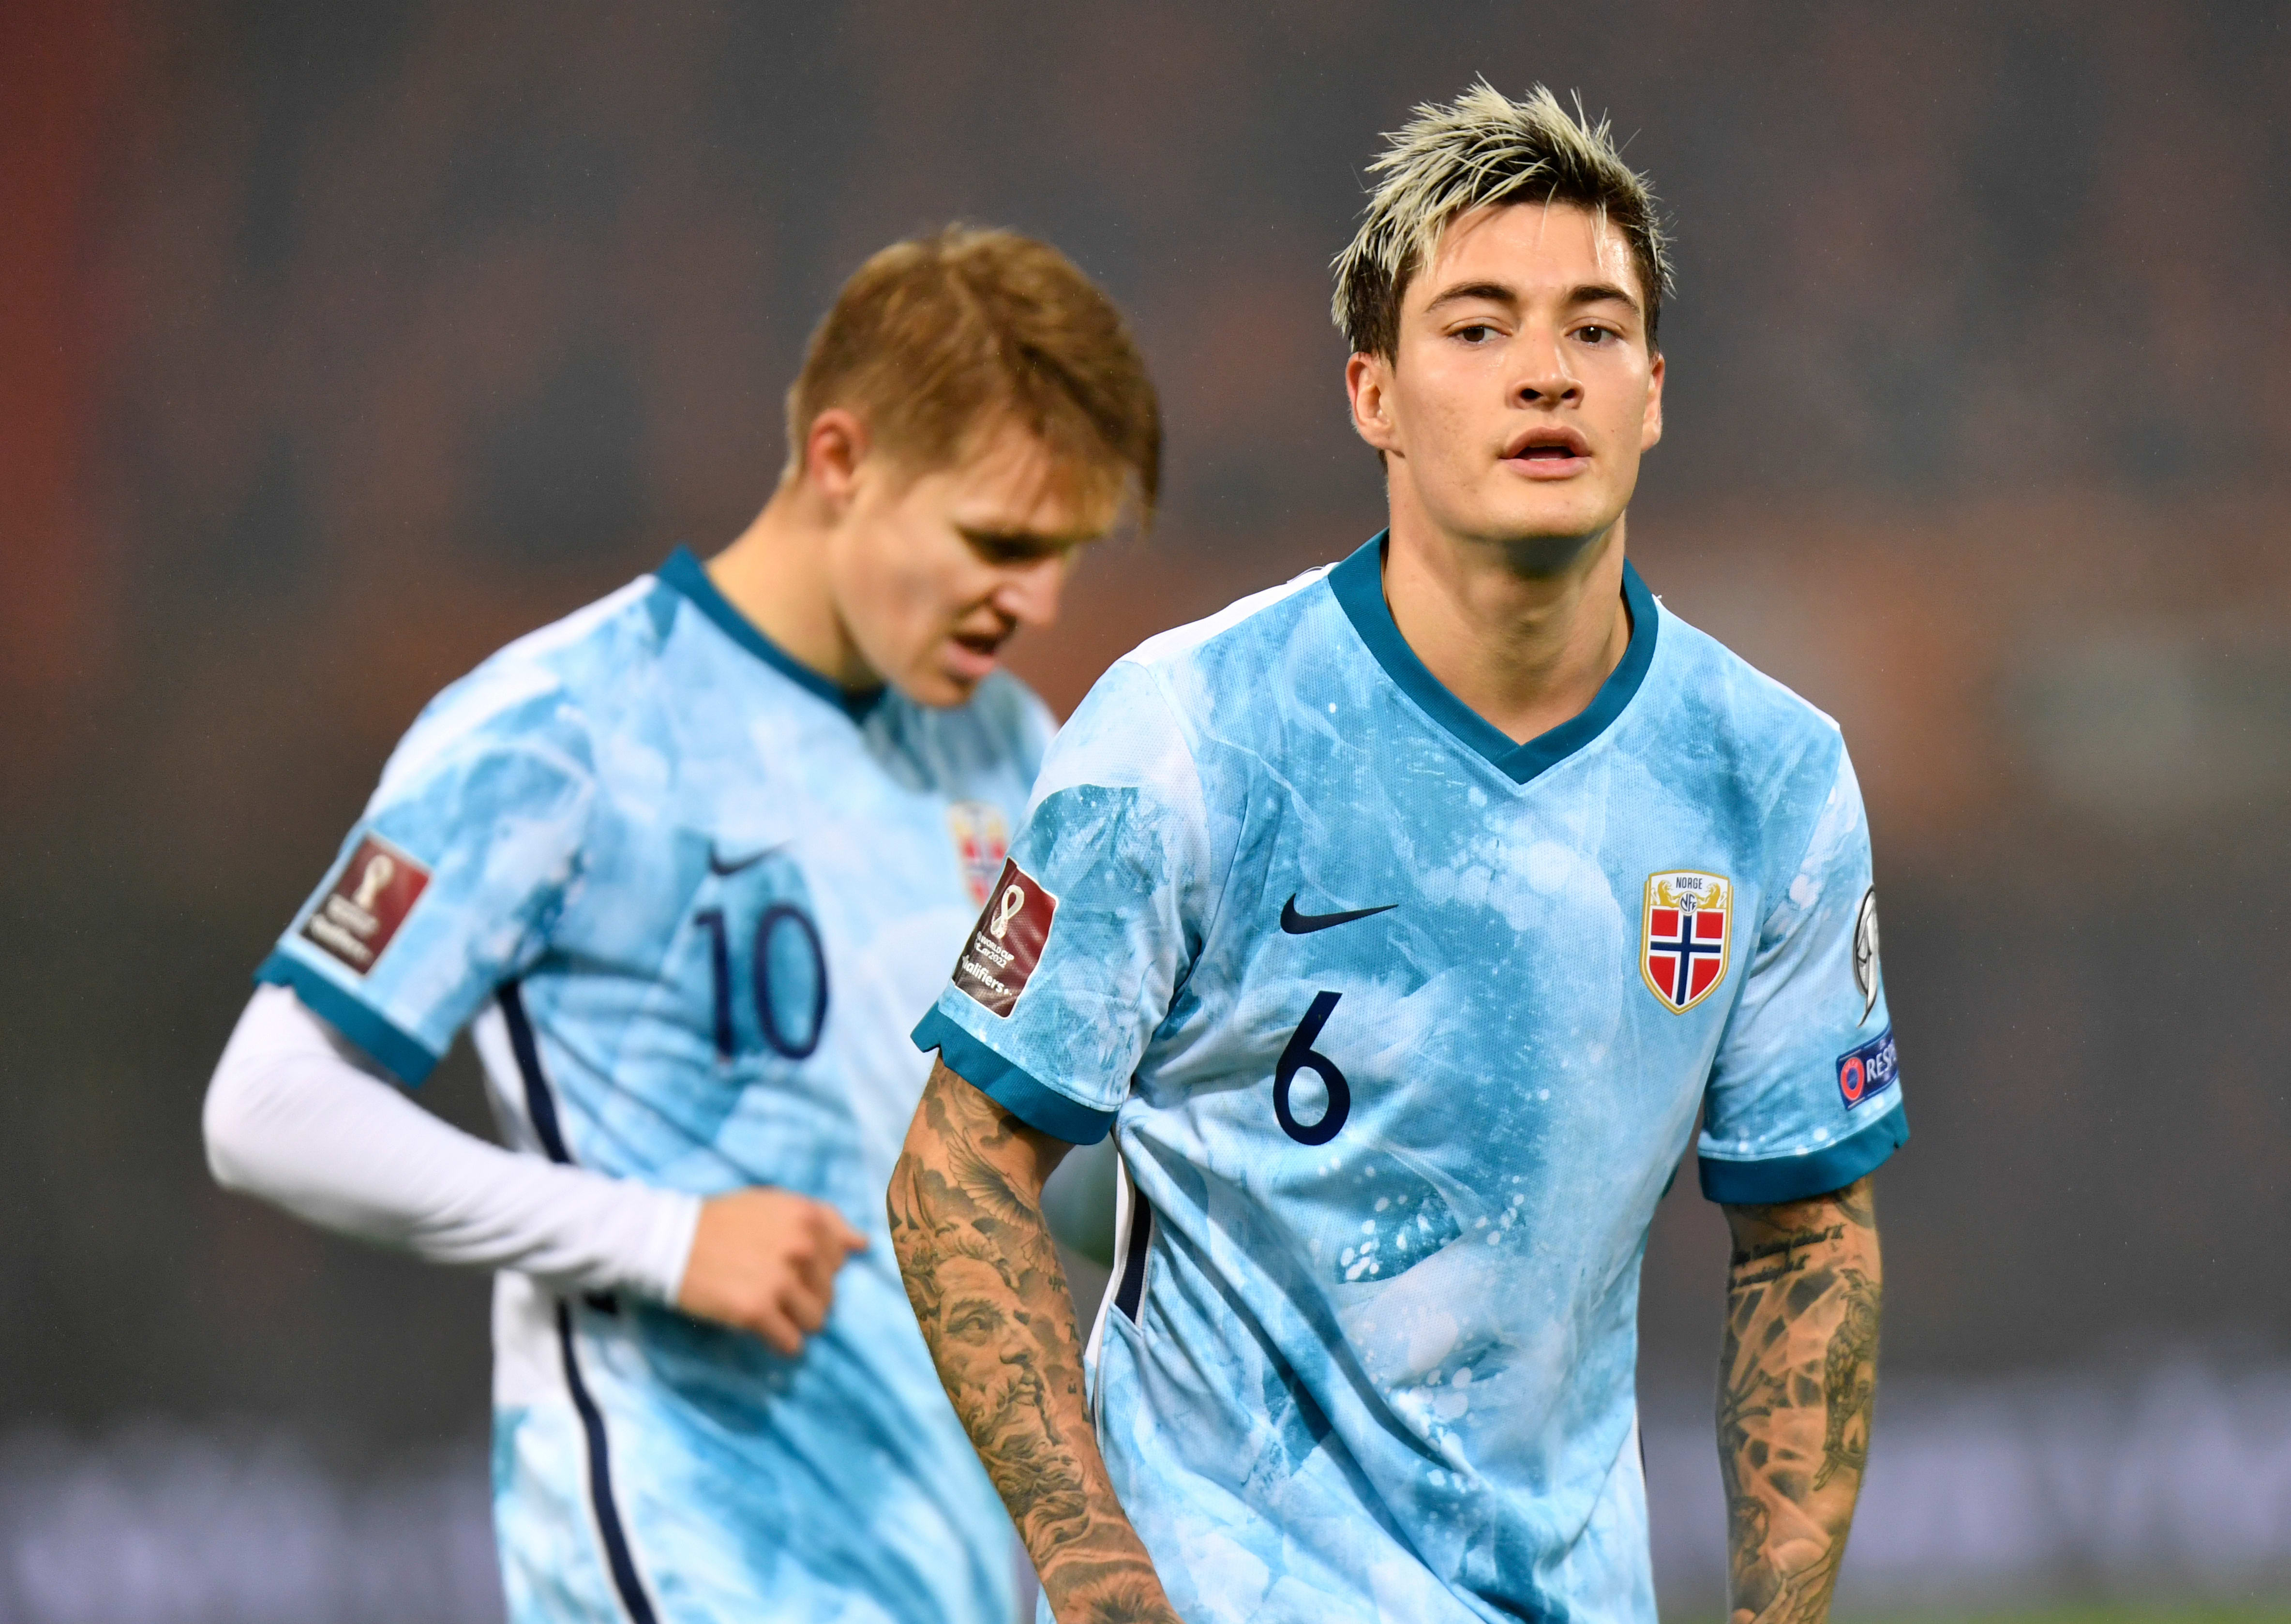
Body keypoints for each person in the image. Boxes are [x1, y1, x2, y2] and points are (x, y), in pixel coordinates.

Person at [890, 84, 1904, 1624]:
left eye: (1596, 329)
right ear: (1373, 395)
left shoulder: (1768, 777)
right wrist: (1100, 1581)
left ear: (1651, 393)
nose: (1546, 372)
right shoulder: (1191, 730)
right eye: (1478, 328)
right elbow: (956, 1168)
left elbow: (1805, 1240)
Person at [202, 226, 1160, 1624]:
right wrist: (656, 1239)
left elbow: (1053, 1182)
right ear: (840, 460)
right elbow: (267, 1105)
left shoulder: (1010, 751)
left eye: (1064, 554)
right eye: (1000, 544)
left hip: (940, 1573)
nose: (1040, 601)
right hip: (679, 1562)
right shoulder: (561, 729)